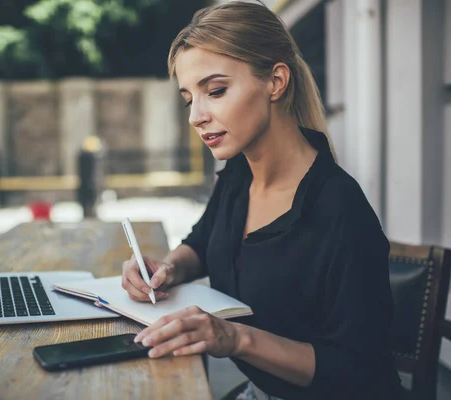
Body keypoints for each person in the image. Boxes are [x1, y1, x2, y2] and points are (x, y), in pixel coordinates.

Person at [120, 2, 403, 399]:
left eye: (215, 91)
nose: (195, 116)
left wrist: (234, 338)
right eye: (189, 99)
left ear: (275, 82)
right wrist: (165, 269)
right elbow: (202, 243)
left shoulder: (339, 210)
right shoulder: (238, 176)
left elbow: (359, 371)